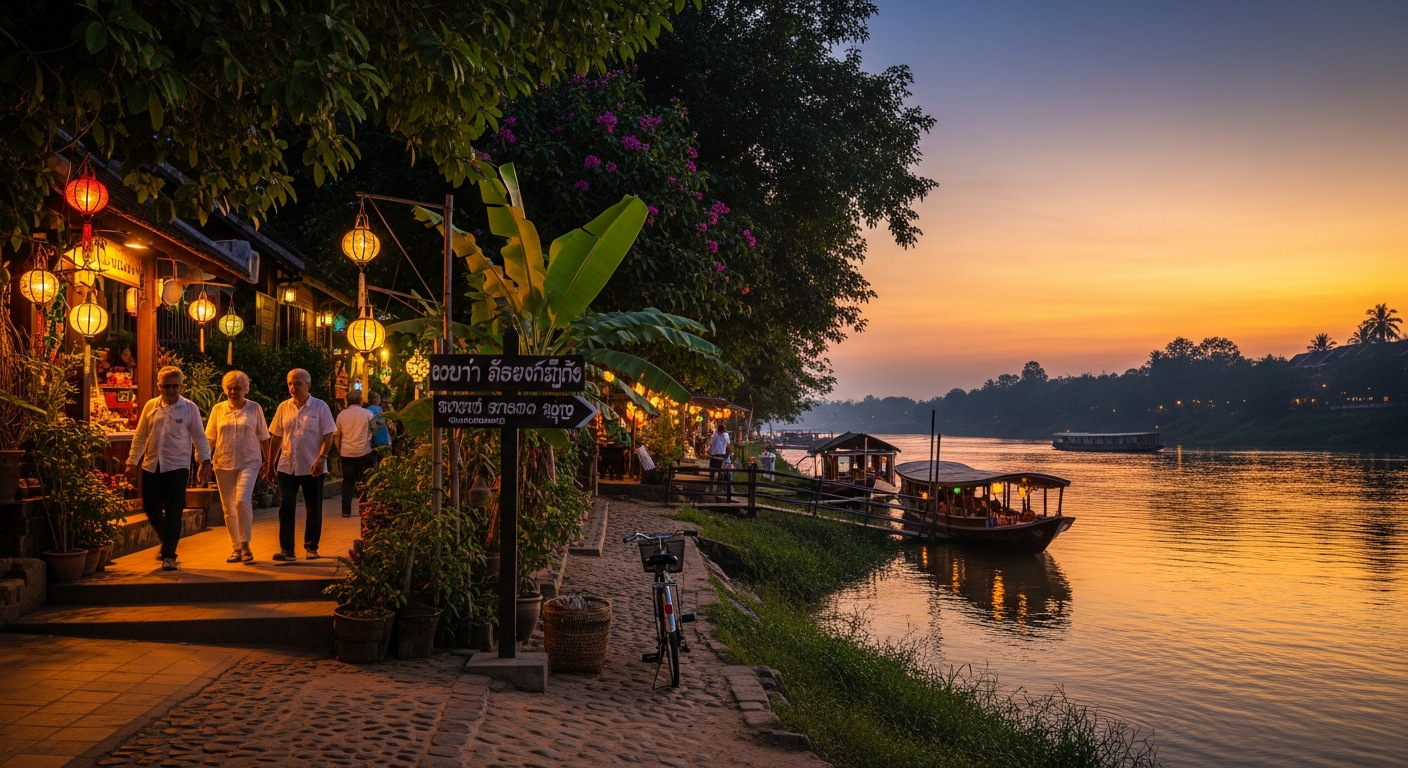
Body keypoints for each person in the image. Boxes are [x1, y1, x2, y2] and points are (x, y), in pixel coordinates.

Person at [125, 366, 212, 571]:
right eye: (166, 386)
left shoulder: (189, 408)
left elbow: (199, 436)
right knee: (151, 508)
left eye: (174, 386)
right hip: (151, 465)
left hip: (177, 466)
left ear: (181, 386)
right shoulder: (151, 406)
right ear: (159, 386)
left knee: (174, 512)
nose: (170, 390)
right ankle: (168, 540)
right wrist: (132, 461)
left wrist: (205, 462)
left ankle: (169, 554)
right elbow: (140, 435)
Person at [265, 369, 336, 561]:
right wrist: (271, 464)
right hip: (288, 465)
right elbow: (277, 437)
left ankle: (311, 546)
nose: (293, 388)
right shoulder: (283, 407)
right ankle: (287, 549)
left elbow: (329, 435)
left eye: (297, 383)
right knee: (286, 506)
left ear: (308, 385)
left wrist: (322, 457)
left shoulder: (320, 407)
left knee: (313, 508)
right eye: (290, 383)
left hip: (312, 466)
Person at [205, 371, 269, 563]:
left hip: (249, 460)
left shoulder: (254, 408)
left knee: (241, 500)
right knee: (228, 508)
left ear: (245, 389)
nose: (233, 392)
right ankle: (236, 548)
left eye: (237, 388)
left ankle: (246, 543)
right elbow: (209, 437)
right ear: (225, 389)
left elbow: (264, 437)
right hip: (223, 462)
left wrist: (269, 462)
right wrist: (203, 461)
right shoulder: (218, 409)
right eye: (230, 388)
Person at [334, 390, 377, 518]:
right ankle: (365, 508)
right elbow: (374, 428)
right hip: (365, 451)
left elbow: (337, 435)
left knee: (348, 482)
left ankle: (346, 510)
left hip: (347, 453)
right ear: (360, 401)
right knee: (366, 481)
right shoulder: (368, 413)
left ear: (347, 401)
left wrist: (339, 448)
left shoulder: (342, 415)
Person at [366, 391, 391, 459]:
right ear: (374, 399)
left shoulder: (367, 409)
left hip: (372, 438)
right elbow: (382, 422)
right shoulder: (378, 409)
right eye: (378, 397)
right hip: (382, 437)